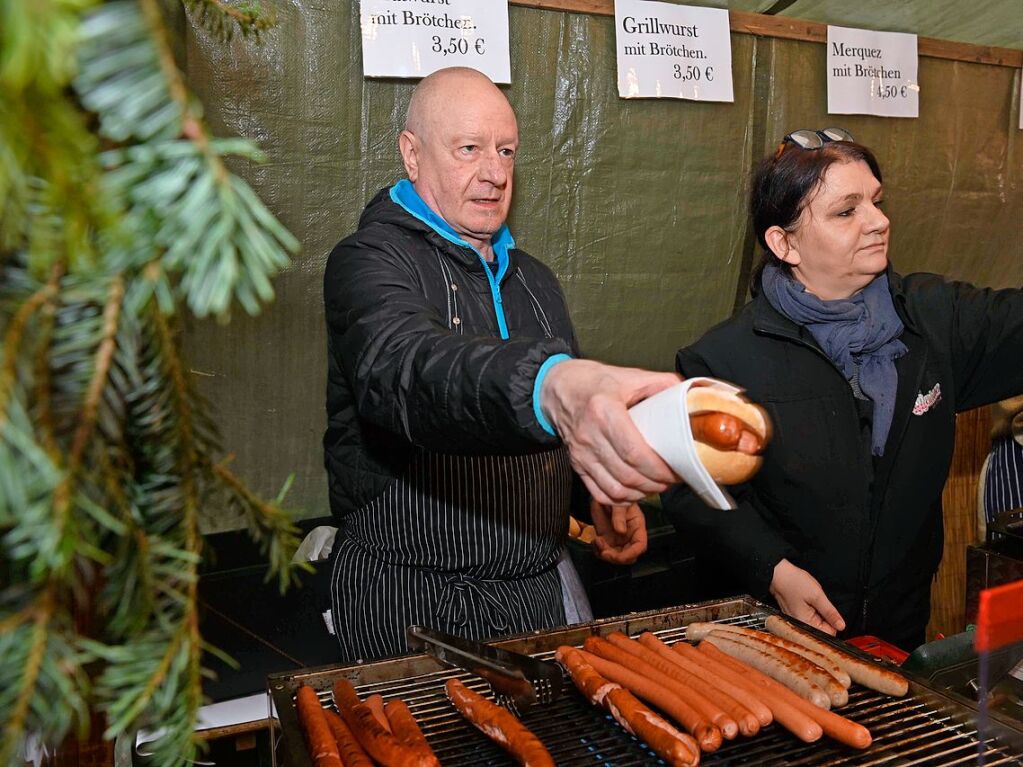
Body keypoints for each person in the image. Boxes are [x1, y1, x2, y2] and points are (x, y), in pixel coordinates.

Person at [323, 67, 678, 661]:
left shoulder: (535, 280)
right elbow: (407, 369)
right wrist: (548, 381)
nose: (494, 173)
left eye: (506, 150)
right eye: (468, 149)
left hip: (534, 591)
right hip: (413, 598)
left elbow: (557, 432)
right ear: (412, 154)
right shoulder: (367, 261)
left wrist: (597, 495)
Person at [663, 129, 1023, 651]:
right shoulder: (725, 360)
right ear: (783, 243)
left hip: (896, 634)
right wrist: (774, 569)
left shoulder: (932, 319)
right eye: (846, 211)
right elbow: (692, 490)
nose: (879, 221)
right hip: (775, 635)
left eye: (876, 201)